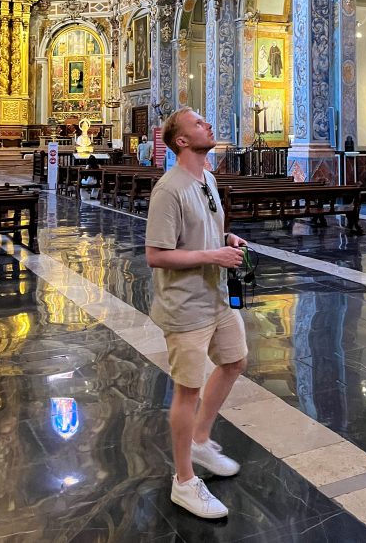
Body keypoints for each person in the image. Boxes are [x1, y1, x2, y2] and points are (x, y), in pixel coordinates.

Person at [145, 108, 249, 520]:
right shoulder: (168, 190)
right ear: (182, 141)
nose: (208, 124)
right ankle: (184, 482)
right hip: (186, 305)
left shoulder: (207, 177)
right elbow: (156, 255)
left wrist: (225, 239)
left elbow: (202, 230)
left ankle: (201, 440)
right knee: (188, 390)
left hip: (217, 296)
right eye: (198, 123)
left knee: (234, 361)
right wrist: (213, 254)